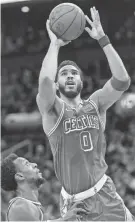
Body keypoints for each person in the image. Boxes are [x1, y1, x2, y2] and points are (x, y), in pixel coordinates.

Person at [36, 6, 134, 221]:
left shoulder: (96, 103)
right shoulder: (54, 110)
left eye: (74, 73)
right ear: (57, 83)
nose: (69, 76)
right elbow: (44, 81)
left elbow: (122, 80)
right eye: (63, 74)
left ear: (82, 81)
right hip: (75, 203)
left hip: (105, 193)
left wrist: (102, 39)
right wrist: (54, 44)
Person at [1, 153, 88, 221]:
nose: (34, 164)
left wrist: (66, 218)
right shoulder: (19, 206)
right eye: (27, 164)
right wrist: (65, 219)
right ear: (20, 176)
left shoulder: (32, 206)